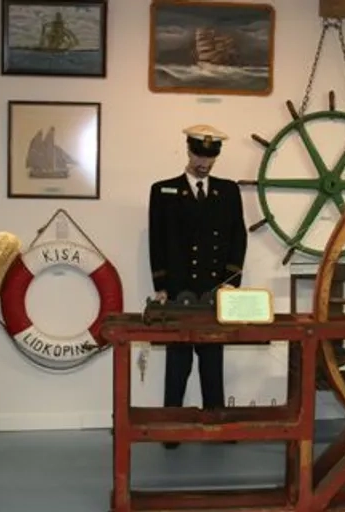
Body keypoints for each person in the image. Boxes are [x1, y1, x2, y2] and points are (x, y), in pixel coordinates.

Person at [148, 124, 248, 449]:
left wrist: (231, 284)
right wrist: (161, 285)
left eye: (210, 157)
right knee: (178, 361)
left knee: (212, 359)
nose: (204, 162)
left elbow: (238, 238)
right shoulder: (162, 190)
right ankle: (171, 428)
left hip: (214, 290)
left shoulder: (228, 191)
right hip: (178, 290)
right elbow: (157, 240)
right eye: (199, 155)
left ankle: (216, 424)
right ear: (188, 151)